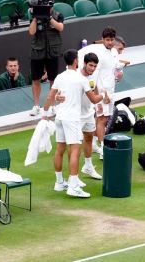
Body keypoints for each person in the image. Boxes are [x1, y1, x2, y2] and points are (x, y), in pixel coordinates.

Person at [42, 49, 106, 198]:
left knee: (60, 149)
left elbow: (51, 96)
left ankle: (59, 183)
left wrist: (44, 115)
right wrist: (103, 94)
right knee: (75, 150)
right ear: (76, 61)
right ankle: (73, 186)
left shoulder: (60, 76)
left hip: (60, 117)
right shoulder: (81, 79)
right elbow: (94, 99)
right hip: (72, 119)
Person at [78, 27, 122, 159]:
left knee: (104, 119)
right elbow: (95, 77)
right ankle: (103, 147)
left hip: (111, 90)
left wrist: (119, 72)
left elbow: (113, 69)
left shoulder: (114, 52)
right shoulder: (99, 55)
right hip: (103, 92)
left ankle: (95, 143)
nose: (109, 42)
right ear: (102, 39)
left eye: (111, 40)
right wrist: (102, 94)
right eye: (107, 40)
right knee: (102, 119)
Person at [28, 7, 64, 116]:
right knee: (35, 79)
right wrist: (35, 18)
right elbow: (31, 31)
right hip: (38, 52)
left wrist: (49, 18)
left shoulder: (58, 15)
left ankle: (53, 105)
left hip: (52, 51)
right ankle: (36, 106)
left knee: (53, 80)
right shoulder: (35, 15)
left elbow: (60, 27)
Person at [79, 53, 106, 180]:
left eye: (94, 66)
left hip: (89, 113)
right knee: (75, 146)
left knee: (89, 139)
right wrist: (102, 96)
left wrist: (98, 104)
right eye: (90, 65)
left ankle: (88, 167)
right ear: (84, 64)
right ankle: (73, 177)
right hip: (76, 116)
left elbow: (94, 88)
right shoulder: (76, 76)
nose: (92, 68)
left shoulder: (94, 75)